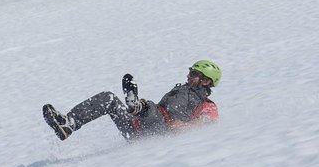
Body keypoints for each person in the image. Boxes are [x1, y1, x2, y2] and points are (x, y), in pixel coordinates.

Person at [43, 59, 221, 141]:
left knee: (152, 109)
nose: (189, 76)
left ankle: (137, 106)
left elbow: (206, 124)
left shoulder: (207, 105)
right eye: (190, 72)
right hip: (136, 127)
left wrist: (185, 127)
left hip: (162, 131)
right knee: (108, 98)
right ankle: (68, 124)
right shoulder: (181, 90)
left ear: (206, 81)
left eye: (195, 75)